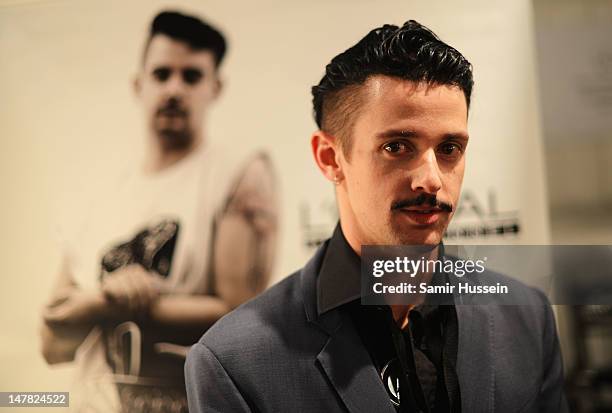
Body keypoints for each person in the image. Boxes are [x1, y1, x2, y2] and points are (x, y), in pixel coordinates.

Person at [185, 20, 568, 412]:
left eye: (449, 148)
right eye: (398, 146)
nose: (431, 179)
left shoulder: (526, 319)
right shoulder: (235, 362)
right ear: (330, 158)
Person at [40, 10, 277, 412]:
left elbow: (240, 313)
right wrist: (107, 295)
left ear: (216, 87)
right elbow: (51, 344)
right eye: (162, 73)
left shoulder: (239, 173)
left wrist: (106, 303)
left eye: (192, 76)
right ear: (138, 83)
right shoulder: (97, 190)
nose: (174, 89)